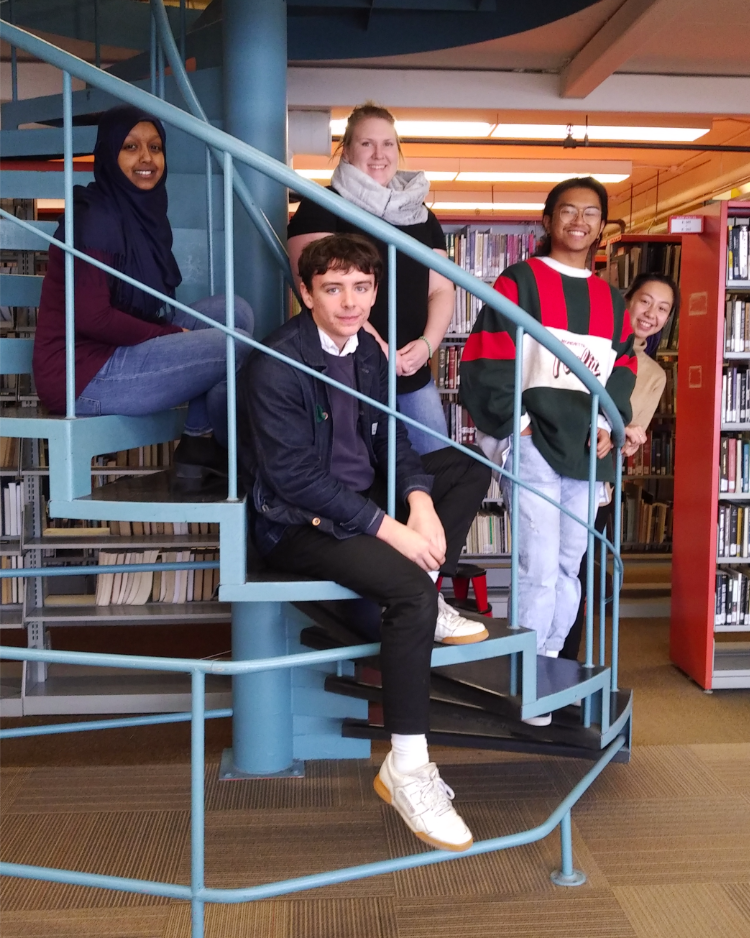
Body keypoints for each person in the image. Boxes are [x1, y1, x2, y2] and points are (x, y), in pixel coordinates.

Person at [237, 233, 491, 852]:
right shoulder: (276, 363)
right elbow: (296, 479)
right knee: (408, 589)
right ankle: (406, 766)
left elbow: (394, 442)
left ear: (375, 290)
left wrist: (420, 502)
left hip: (365, 502)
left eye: (361, 288)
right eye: (332, 289)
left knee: (468, 468)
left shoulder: (371, 355)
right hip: (297, 522)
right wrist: (395, 531)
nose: (349, 303)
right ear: (306, 292)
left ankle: (427, 593)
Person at [459, 177, 637, 724]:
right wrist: (513, 424)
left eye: (590, 213)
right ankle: (529, 676)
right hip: (536, 442)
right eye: (567, 211)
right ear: (547, 219)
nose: (578, 221)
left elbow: (624, 368)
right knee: (537, 567)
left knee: (570, 567)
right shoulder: (520, 283)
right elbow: (487, 352)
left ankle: (552, 665)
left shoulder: (612, 299)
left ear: (602, 226)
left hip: (589, 449)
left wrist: (613, 420)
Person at [33, 104, 254, 482]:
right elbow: (93, 317)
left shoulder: (143, 211)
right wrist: (170, 335)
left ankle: (198, 443)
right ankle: (224, 448)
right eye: (131, 147)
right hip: (80, 373)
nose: (147, 158)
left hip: (117, 350)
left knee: (233, 313)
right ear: (108, 152)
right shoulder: (95, 218)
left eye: (155, 147)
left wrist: (168, 333)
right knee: (234, 345)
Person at [287, 103, 454, 456]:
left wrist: (426, 345)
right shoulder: (321, 205)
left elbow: (441, 289)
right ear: (346, 151)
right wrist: (376, 345)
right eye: (366, 144)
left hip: (409, 369)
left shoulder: (422, 216)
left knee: (439, 467)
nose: (379, 154)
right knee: (356, 472)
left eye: (388, 144)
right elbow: (317, 291)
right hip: (344, 367)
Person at [561, 272, 679, 661]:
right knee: (544, 568)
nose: (651, 314)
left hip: (599, 480)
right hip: (556, 460)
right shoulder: (589, 340)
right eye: (646, 301)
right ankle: (532, 657)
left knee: (577, 572)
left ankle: (563, 662)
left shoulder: (654, 375)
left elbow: (632, 434)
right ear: (627, 298)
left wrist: (621, 436)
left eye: (663, 309)